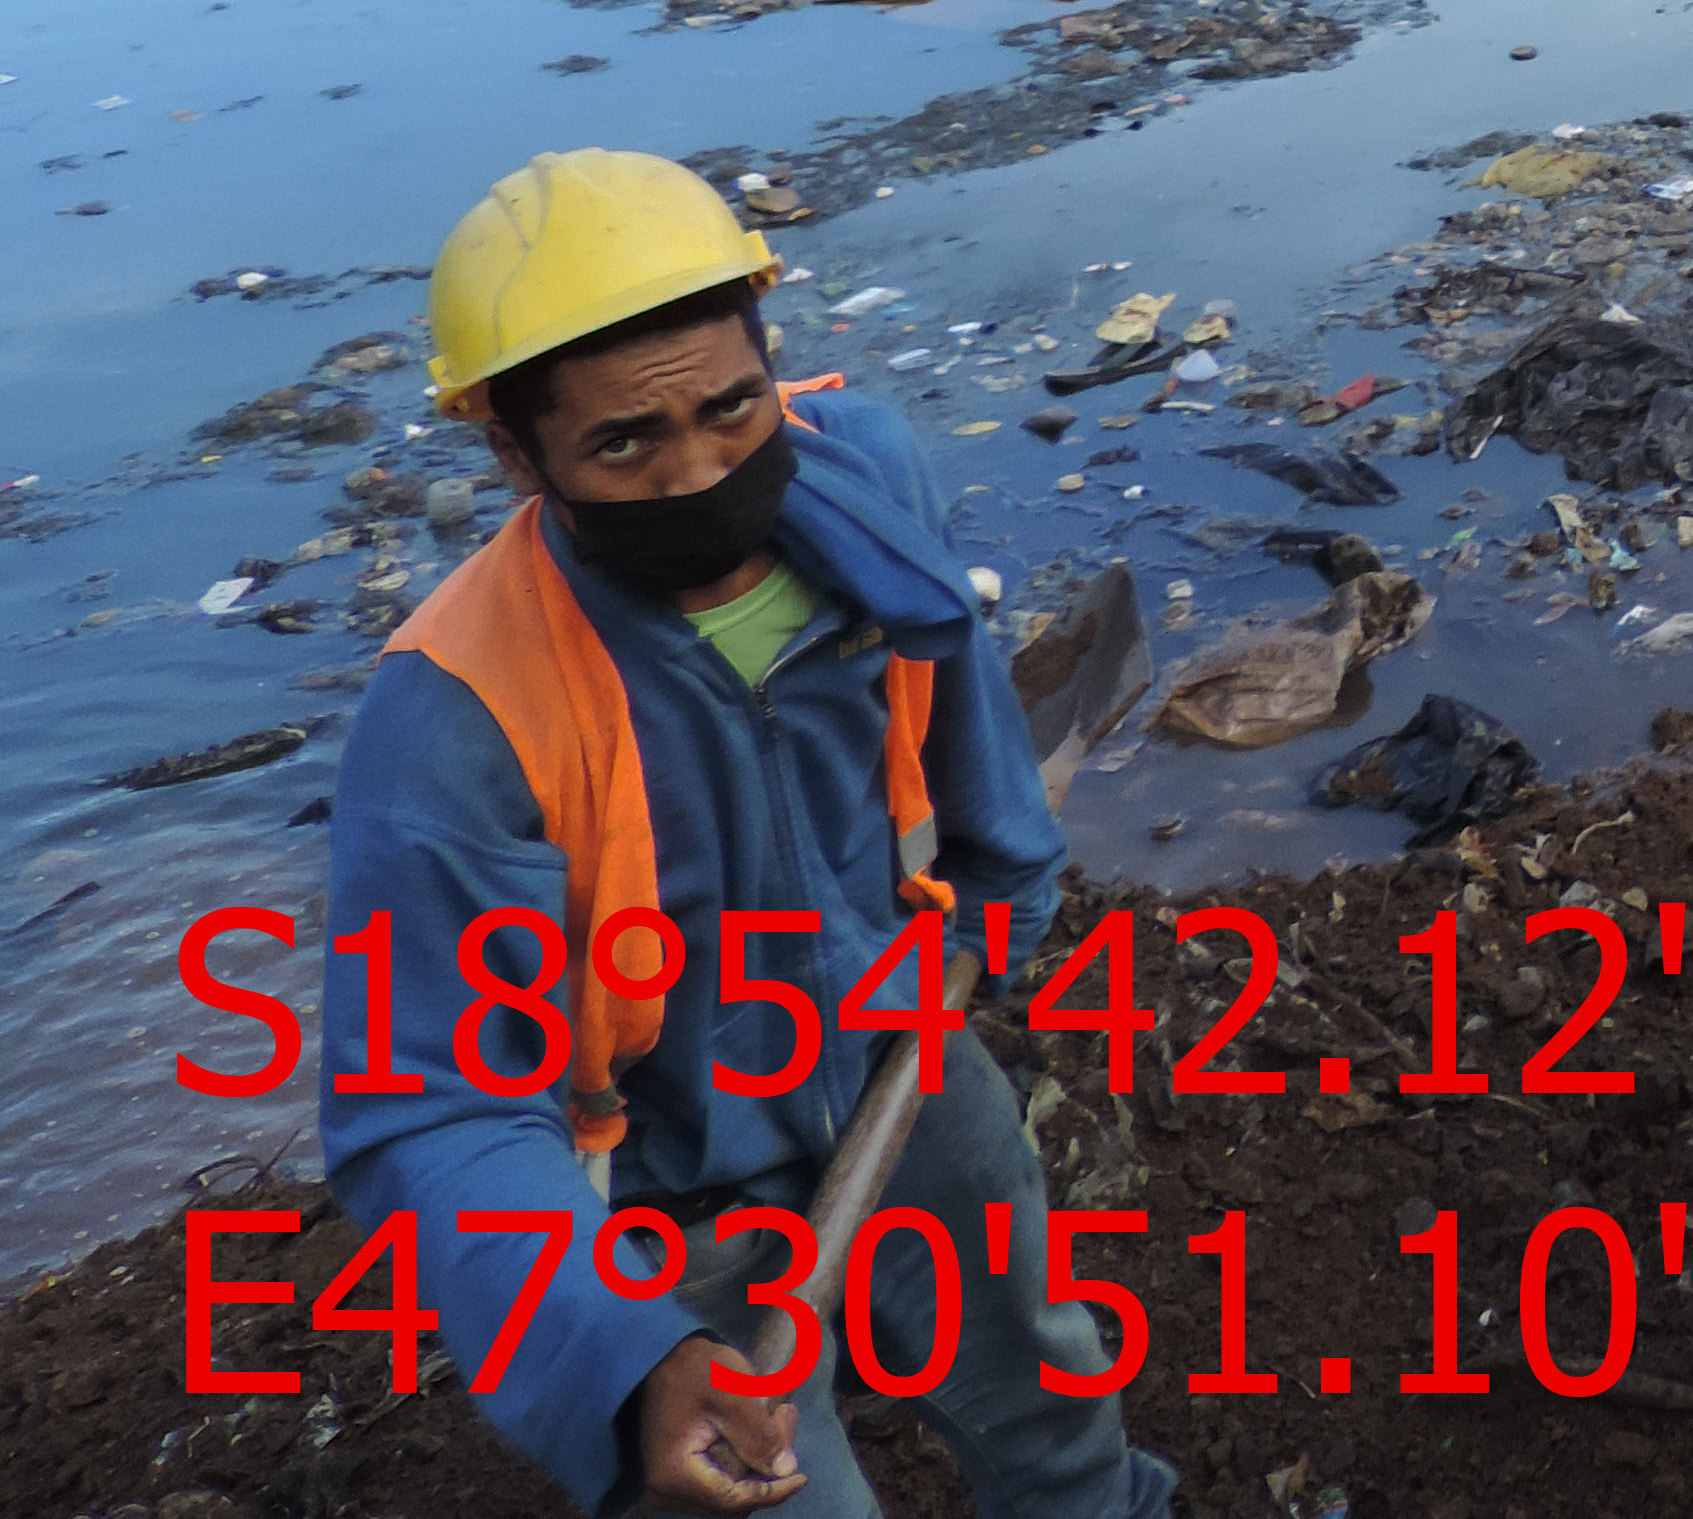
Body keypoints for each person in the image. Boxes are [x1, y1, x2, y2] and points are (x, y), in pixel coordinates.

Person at [324, 153, 1174, 1519]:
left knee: (1049, 1396)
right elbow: (431, 1111)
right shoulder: (455, 719)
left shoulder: (868, 485)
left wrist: (1004, 893)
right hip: (668, 1190)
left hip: (905, 1055)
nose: (702, 471)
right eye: (624, 445)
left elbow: (960, 707)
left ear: (770, 357)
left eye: (731, 407)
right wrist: (622, 1353)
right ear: (512, 451)